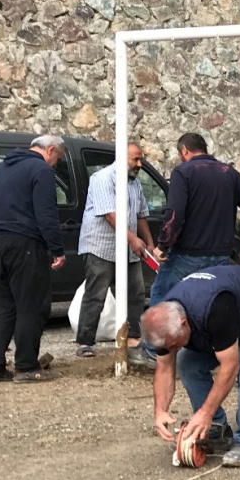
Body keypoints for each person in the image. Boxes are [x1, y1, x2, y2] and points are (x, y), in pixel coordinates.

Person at [144, 265, 240, 468]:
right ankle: (216, 430)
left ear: (184, 323)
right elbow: (164, 368)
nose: (173, 349)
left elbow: (230, 366)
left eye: (175, 344)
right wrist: (160, 410)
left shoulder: (215, 308)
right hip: (232, 314)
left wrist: (205, 412)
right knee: (186, 362)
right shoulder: (163, 324)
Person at [144, 132, 240, 358]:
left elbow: (175, 213)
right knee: (209, 301)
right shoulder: (229, 173)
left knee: (162, 293)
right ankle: (210, 349)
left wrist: (163, 245)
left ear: (184, 151)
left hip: (187, 254)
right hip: (220, 255)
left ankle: (155, 349)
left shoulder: (183, 173)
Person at [0, 134, 66, 383]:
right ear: (50, 150)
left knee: (6, 305)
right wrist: (57, 249)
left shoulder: (2, 168)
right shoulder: (41, 170)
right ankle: (27, 366)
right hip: (24, 242)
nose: (56, 164)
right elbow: (46, 213)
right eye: (58, 159)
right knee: (32, 305)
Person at [77, 143, 156, 363]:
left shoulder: (135, 183)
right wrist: (133, 239)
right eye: (135, 159)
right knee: (96, 294)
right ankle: (85, 342)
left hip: (129, 249)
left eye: (141, 159)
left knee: (136, 292)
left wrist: (149, 244)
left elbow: (141, 215)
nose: (140, 164)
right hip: (101, 246)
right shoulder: (102, 178)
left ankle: (132, 338)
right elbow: (109, 215)